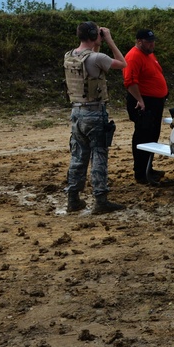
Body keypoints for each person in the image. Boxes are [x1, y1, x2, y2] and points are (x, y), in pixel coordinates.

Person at [63, 21, 127, 214]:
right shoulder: (98, 57)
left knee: (78, 156)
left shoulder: (70, 56)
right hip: (95, 112)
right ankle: (100, 199)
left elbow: (93, 62)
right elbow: (122, 63)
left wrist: (97, 42)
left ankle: (73, 198)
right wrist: (109, 40)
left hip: (76, 112)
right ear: (94, 35)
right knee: (99, 155)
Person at [123, 29, 169, 185]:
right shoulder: (133, 56)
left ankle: (148, 168)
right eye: (148, 42)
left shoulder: (149, 54)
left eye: (153, 41)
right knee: (143, 136)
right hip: (143, 102)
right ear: (139, 41)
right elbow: (129, 81)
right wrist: (140, 100)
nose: (152, 44)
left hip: (154, 102)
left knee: (152, 136)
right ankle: (140, 173)